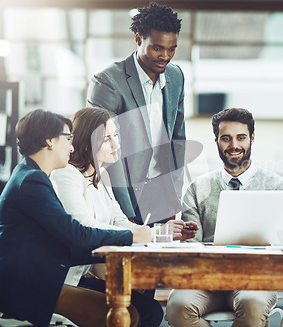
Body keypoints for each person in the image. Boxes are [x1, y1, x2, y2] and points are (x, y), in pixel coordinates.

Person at [0, 109, 151, 327]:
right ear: (50, 141)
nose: (72, 147)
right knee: (129, 314)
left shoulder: (30, 175)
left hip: (31, 281)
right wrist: (130, 237)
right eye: (68, 139)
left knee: (139, 306)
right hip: (24, 290)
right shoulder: (32, 181)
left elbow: (65, 237)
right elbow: (75, 234)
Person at [50, 107, 198, 326]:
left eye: (115, 136)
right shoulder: (67, 175)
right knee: (140, 311)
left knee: (151, 308)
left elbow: (119, 220)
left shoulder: (102, 176)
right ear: (86, 143)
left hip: (85, 275)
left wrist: (160, 232)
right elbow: (84, 225)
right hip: (66, 280)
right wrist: (141, 235)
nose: (117, 145)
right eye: (107, 139)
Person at [165, 108, 283, 327]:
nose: (234, 145)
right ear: (216, 141)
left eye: (241, 137)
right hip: (205, 280)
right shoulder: (198, 188)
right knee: (178, 306)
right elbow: (191, 245)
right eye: (226, 138)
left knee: (253, 305)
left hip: (255, 282)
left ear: (252, 138)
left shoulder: (278, 187)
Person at [87, 3, 186, 225]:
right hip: (126, 194)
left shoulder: (176, 77)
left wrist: (173, 199)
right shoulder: (108, 82)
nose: (165, 56)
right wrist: (125, 213)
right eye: (157, 48)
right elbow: (105, 152)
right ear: (139, 39)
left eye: (172, 49)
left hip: (162, 195)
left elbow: (177, 142)